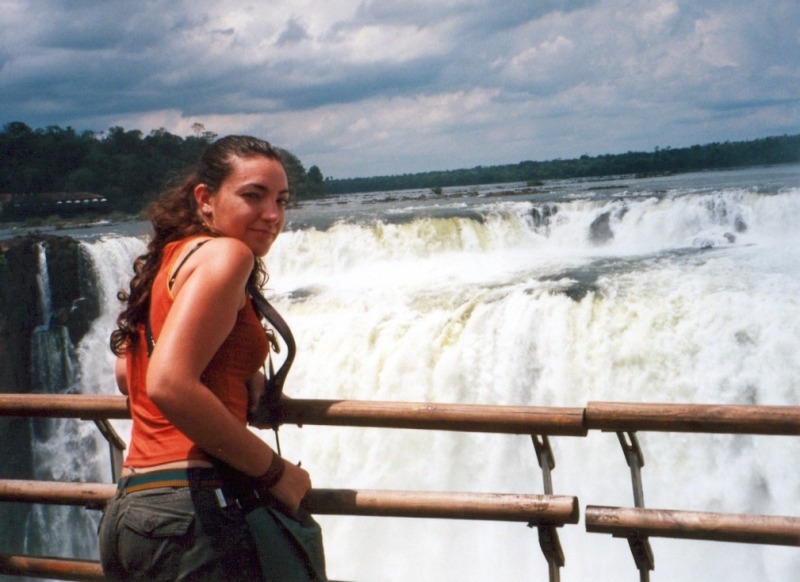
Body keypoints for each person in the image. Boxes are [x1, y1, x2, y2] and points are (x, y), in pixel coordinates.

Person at [100, 135, 312, 580]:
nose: (272, 215)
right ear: (206, 198)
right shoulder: (228, 255)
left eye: (281, 200)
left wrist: (237, 370)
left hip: (133, 512)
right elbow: (168, 383)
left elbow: (127, 374)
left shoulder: (172, 260)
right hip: (196, 512)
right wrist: (276, 474)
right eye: (253, 196)